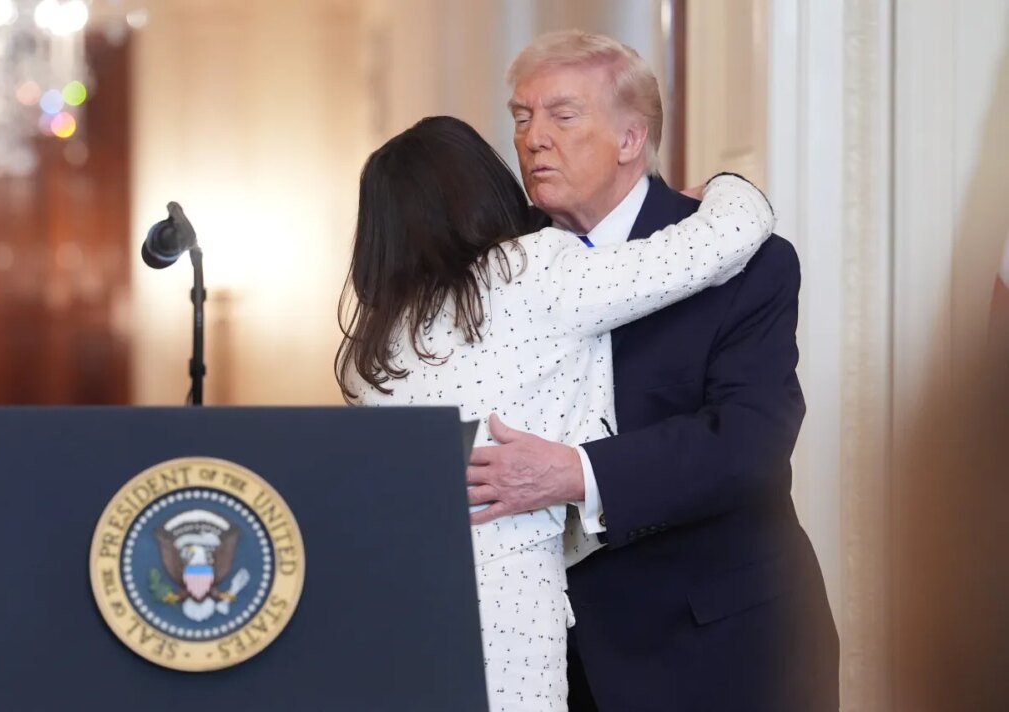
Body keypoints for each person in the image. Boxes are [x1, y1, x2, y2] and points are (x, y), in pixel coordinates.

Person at [335, 115, 774, 712]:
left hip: (398, 600)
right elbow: (722, 242)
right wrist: (725, 186)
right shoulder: (532, 270)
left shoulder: (376, 348)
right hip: (509, 601)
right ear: (484, 187)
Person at [466, 31, 840, 711]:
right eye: (522, 117)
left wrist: (575, 472)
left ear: (631, 139)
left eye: (563, 115)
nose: (533, 138)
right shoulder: (492, 269)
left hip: (717, 649)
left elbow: (748, 443)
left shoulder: (744, 260)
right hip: (550, 663)